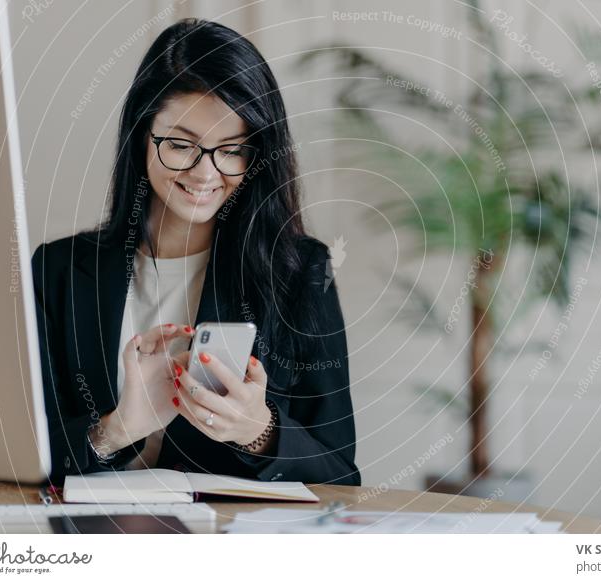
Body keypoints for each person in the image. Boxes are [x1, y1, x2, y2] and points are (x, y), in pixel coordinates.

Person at [31, 18, 359, 486]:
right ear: (141, 136)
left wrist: (258, 431)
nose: (207, 173)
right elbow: (14, 453)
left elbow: (341, 475)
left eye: (233, 149)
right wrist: (117, 429)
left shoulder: (299, 270)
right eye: (182, 145)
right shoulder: (57, 271)